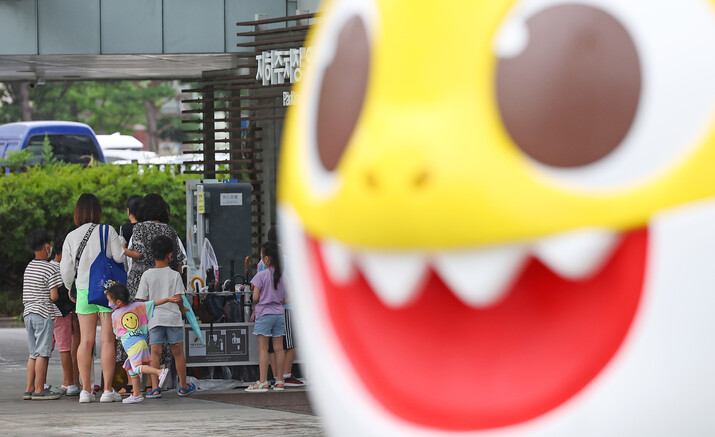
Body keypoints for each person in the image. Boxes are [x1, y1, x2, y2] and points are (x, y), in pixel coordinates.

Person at [60, 193, 125, 403]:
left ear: (77, 212)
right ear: (98, 211)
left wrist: (71, 287)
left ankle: (85, 390)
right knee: (108, 340)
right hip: (107, 291)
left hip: (83, 291)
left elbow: (67, 270)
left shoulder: (71, 237)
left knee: (85, 341)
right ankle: (107, 390)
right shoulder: (108, 230)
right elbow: (119, 258)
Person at [123, 193, 185, 392]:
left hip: (139, 283)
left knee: (137, 332)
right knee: (164, 341)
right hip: (166, 284)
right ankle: (155, 383)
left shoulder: (138, 228)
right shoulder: (170, 230)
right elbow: (179, 262)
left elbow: (135, 256)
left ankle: (135, 384)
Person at [135, 235, 196, 398]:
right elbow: (179, 299)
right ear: (170, 255)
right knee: (178, 353)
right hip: (173, 319)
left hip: (154, 320)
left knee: (155, 353)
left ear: (152, 254)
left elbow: (141, 301)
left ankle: (154, 388)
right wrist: (184, 310)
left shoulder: (147, 275)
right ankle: (183, 386)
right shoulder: (175, 275)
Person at [105, 283, 177, 404]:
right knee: (131, 369)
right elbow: (154, 303)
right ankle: (137, 394)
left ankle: (159, 372)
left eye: (109, 300)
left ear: (117, 302)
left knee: (137, 368)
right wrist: (168, 299)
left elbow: (117, 333)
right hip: (140, 342)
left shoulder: (115, 315)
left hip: (133, 345)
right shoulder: (137, 306)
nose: (109, 303)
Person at [22, 229, 62, 400]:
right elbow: (54, 296)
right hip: (43, 313)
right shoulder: (49, 268)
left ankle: (29, 387)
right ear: (47, 247)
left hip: (28, 313)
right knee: (43, 353)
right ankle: (40, 389)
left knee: (33, 353)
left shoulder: (29, 267)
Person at [246, 240, 287, 392]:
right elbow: (286, 297)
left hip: (264, 314)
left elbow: (255, 298)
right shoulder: (283, 277)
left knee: (263, 349)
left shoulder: (260, 276)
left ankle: (263, 381)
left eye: (262, 254)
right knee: (279, 348)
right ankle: (280, 381)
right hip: (279, 314)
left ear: (267, 258)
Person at [49, 232, 81, 396]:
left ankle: (38, 384)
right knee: (65, 349)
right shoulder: (62, 268)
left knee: (44, 350)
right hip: (61, 314)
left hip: (47, 315)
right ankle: (69, 383)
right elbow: (63, 295)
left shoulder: (48, 265)